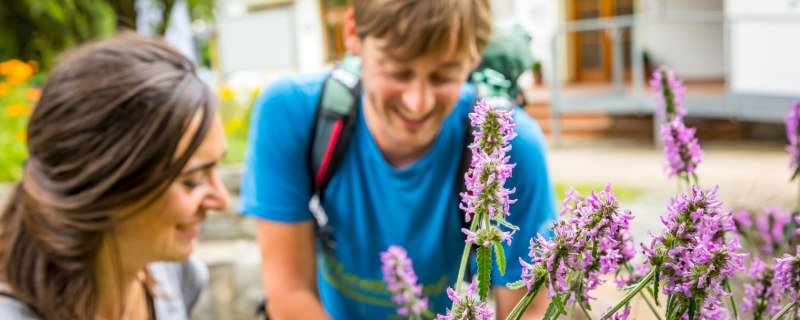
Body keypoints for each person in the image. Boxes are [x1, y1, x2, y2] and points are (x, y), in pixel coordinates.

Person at [239, 0, 555, 318]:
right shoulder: (292, 112)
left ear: (474, 55)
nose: (418, 102)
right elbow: (289, 292)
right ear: (353, 34)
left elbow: (528, 309)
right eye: (398, 71)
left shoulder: (506, 146)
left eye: (443, 76)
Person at [0, 33, 229, 319]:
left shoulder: (178, 278)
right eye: (192, 180)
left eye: (216, 168)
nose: (221, 200)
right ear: (105, 184)